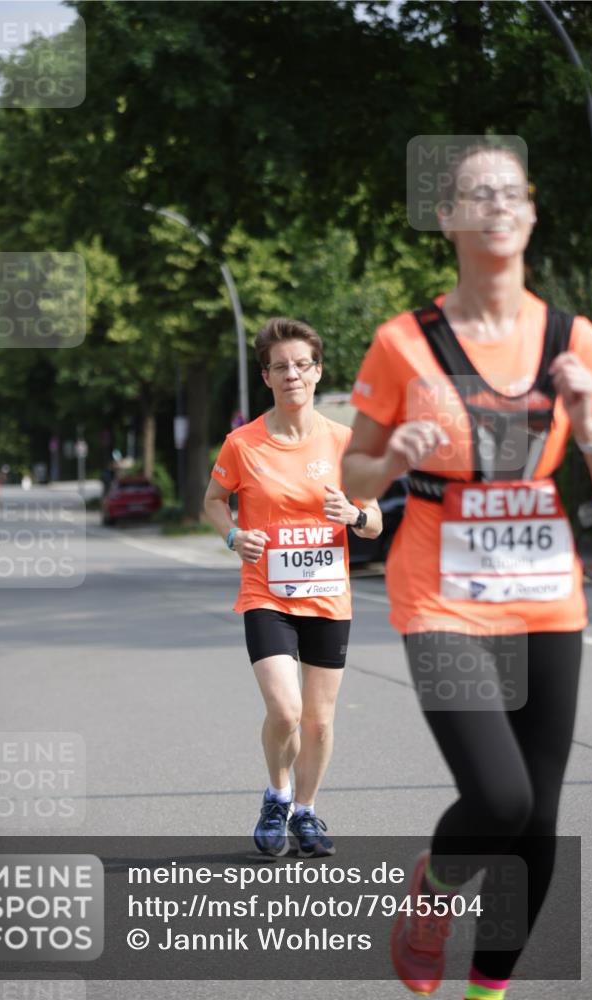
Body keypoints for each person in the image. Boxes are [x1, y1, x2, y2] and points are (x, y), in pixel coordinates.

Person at [343, 143, 592, 999]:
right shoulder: (402, 342)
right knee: (498, 800)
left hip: (542, 599)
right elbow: (351, 476)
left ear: (529, 214)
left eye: (510, 191)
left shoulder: (575, 342)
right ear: (446, 219)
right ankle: (435, 890)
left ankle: (485, 992)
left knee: (540, 819)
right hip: (438, 593)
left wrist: (588, 426)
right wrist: (388, 464)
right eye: (473, 193)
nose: (495, 203)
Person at [205, 317, 382, 858]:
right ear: (266, 377)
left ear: (317, 370)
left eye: (301, 365)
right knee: (285, 711)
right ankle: (277, 796)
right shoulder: (243, 443)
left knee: (319, 719)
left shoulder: (344, 441)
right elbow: (213, 501)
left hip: (328, 595)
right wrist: (235, 535)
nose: (292, 375)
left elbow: (375, 521)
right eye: (280, 367)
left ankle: (306, 811)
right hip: (267, 595)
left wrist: (352, 513)